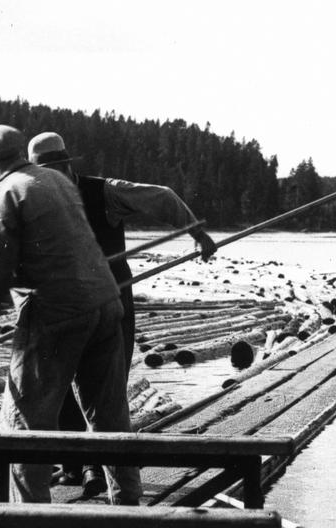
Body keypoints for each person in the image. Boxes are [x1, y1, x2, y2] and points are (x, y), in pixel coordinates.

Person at [0, 124, 141, 506]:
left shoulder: (3, 195)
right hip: (106, 303)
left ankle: (32, 520)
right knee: (110, 416)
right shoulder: (57, 181)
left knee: (23, 424)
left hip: (56, 314)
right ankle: (128, 506)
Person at [27, 132, 217, 496]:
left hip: (110, 306)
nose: (50, 181)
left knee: (107, 392)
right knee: (59, 388)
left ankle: (99, 473)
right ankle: (78, 467)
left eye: (54, 172)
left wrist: (198, 234)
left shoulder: (105, 192)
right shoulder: (35, 199)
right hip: (62, 307)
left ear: (66, 166)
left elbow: (163, 197)